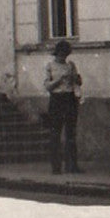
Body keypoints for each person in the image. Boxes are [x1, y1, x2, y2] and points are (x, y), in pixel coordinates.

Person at [43, 40, 82, 175]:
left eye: (65, 54)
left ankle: (72, 165)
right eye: (61, 54)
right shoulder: (50, 66)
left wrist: (75, 78)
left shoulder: (71, 65)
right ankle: (56, 166)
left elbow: (79, 82)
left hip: (69, 98)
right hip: (57, 99)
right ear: (57, 53)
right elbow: (47, 86)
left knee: (71, 133)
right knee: (55, 133)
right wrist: (59, 80)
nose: (63, 57)